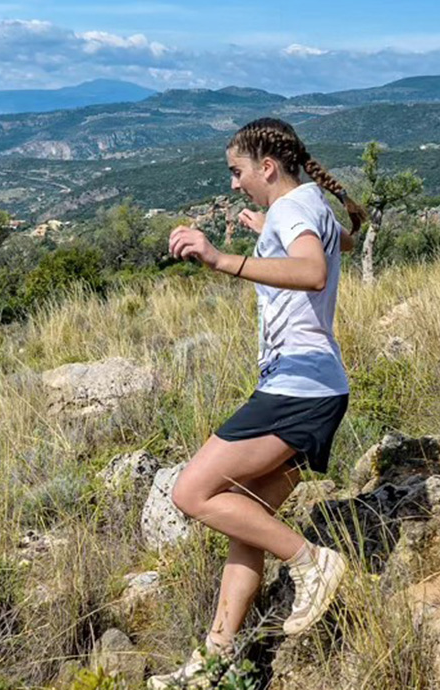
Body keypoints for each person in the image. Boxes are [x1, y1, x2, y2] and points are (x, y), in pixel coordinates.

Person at [148, 117, 367, 689]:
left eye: (238, 172)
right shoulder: (308, 202)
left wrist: (224, 259)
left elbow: (315, 271)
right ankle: (213, 663)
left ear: (266, 167)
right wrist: (267, 227)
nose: (234, 183)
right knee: (246, 520)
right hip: (319, 389)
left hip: (297, 388)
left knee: (191, 492)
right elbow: (339, 241)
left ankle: (311, 562)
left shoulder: (295, 210)